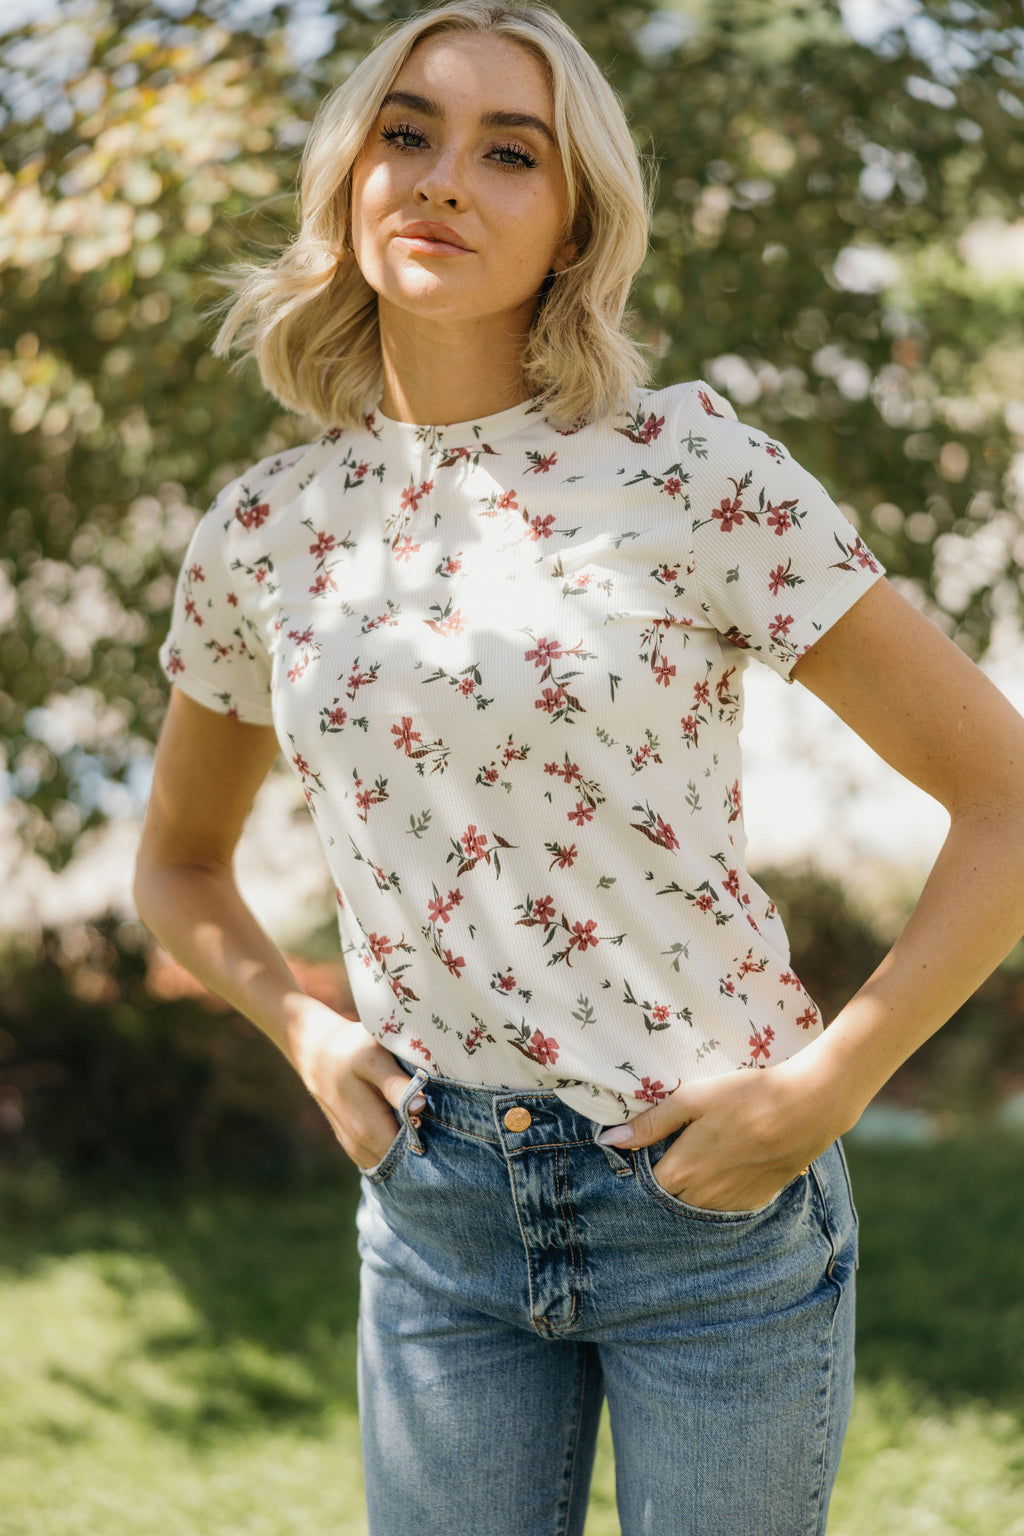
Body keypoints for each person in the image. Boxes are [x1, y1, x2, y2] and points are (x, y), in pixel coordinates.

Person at [134, 3, 1024, 1532]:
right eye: (406, 133)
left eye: (510, 153)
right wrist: (299, 1027)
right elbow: (179, 865)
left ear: (576, 223)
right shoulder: (267, 531)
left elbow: (1010, 802)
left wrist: (825, 1091)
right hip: (434, 1219)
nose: (443, 179)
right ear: (350, 177)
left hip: (709, 1203)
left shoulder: (693, 471)